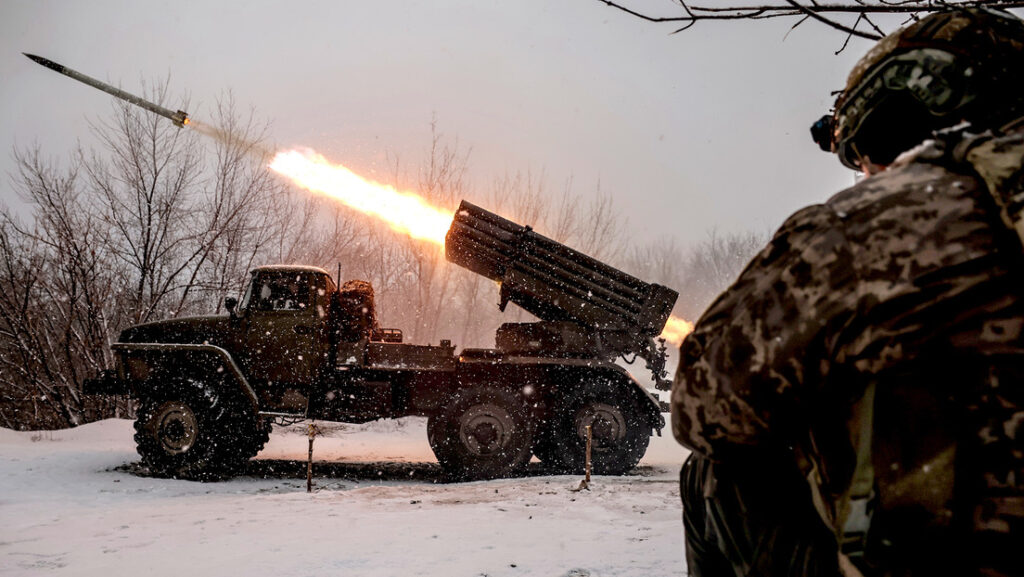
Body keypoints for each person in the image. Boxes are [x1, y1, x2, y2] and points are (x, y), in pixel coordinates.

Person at [671, 8, 1024, 577]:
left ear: (903, 121)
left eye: (865, 158)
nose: (867, 176)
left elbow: (703, 406)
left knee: (714, 475)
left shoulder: (884, 221)